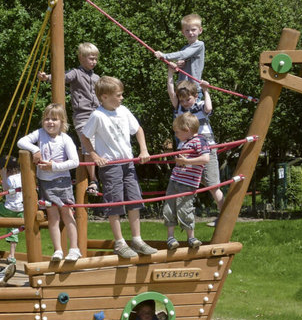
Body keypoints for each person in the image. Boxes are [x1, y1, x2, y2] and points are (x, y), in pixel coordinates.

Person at [81, 77, 158, 258]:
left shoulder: (123, 111)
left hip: (128, 163)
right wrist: (94, 155)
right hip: (111, 165)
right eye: (119, 95)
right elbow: (85, 136)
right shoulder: (98, 115)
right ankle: (120, 242)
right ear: (105, 97)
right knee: (115, 203)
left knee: (134, 200)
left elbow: (138, 129)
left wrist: (143, 150)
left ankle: (137, 240)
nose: (122, 98)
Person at [17, 103, 81, 262]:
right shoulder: (39, 134)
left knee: (67, 213)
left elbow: (75, 162)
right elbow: (21, 142)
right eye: (47, 119)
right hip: (45, 183)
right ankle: (58, 250)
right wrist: (35, 150)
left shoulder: (65, 139)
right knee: (53, 217)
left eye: (55, 119)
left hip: (62, 181)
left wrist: (54, 166)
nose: (50, 122)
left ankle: (74, 248)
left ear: (62, 122)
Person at [38, 42, 101, 194]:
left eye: (96, 59)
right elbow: (61, 77)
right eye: (91, 58)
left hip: (97, 114)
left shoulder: (97, 77)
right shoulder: (76, 73)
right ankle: (93, 180)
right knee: (88, 146)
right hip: (83, 115)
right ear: (81, 58)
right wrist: (47, 77)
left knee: (99, 145)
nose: (94, 61)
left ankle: (101, 176)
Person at [167, 65, 224, 226]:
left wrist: (206, 90)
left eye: (188, 99)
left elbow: (209, 108)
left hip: (205, 149)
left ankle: (224, 215)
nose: (185, 102)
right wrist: (171, 73)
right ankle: (180, 216)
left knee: (213, 184)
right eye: (182, 99)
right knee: (184, 183)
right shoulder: (179, 108)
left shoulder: (199, 106)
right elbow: (171, 91)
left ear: (195, 96)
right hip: (186, 151)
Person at [163, 112, 210, 249]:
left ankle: (191, 237)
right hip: (175, 180)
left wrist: (186, 160)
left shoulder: (200, 141)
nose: (176, 135)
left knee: (185, 209)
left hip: (188, 183)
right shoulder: (184, 143)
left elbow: (205, 159)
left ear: (187, 129)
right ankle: (170, 238)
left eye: (177, 132)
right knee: (169, 208)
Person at [154, 13, 205, 87]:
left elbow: (183, 54)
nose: (190, 33)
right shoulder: (184, 48)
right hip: (182, 87)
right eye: (187, 30)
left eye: (193, 30)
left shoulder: (199, 45)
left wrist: (164, 55)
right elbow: (181, 61)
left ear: (200, 30)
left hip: (193, 88)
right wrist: (177, 64)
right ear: (183, 32)